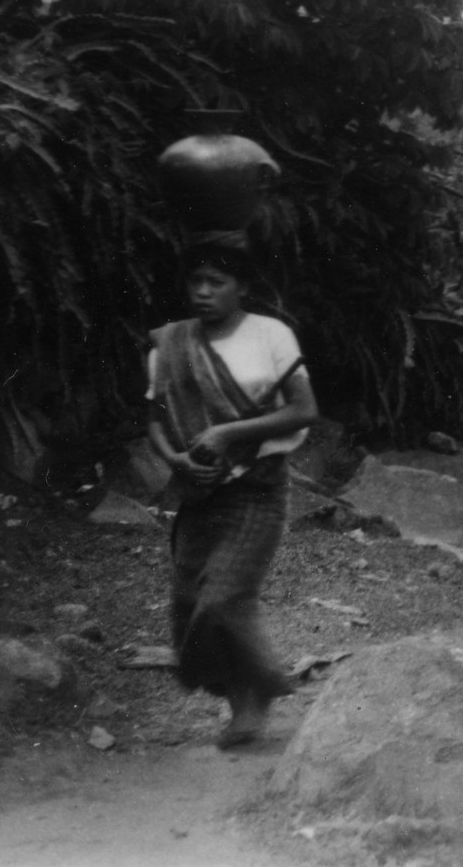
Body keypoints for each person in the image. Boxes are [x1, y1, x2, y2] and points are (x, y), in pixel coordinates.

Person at [146, 241, 318, 749]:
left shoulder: (271, 335)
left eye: (216, 282)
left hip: (257, 487)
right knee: (187, 607)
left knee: (223, 600)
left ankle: (259, 691)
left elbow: (304, 409)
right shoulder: (171, 344)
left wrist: (228, 434)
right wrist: (173, 460)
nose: (203, 292)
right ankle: (237, 696)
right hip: (198, 490)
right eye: (195, 281)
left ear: (242, 287)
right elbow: (154, 420)